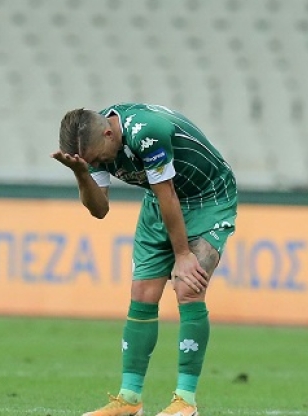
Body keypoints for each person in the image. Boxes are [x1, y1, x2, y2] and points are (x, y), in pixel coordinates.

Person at [52, 104, 238, 416]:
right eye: (91, 163)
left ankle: (185, 401)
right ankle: (129, 399)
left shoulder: (148, 132)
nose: (98, 165)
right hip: (159, 202)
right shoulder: (94, 145)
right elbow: (99, 209)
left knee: (188, 287)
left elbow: (168, 193)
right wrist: (82, 173)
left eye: (96, 160)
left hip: (207, 198)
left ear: (109, 134)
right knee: (142, 294)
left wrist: (182, 255)